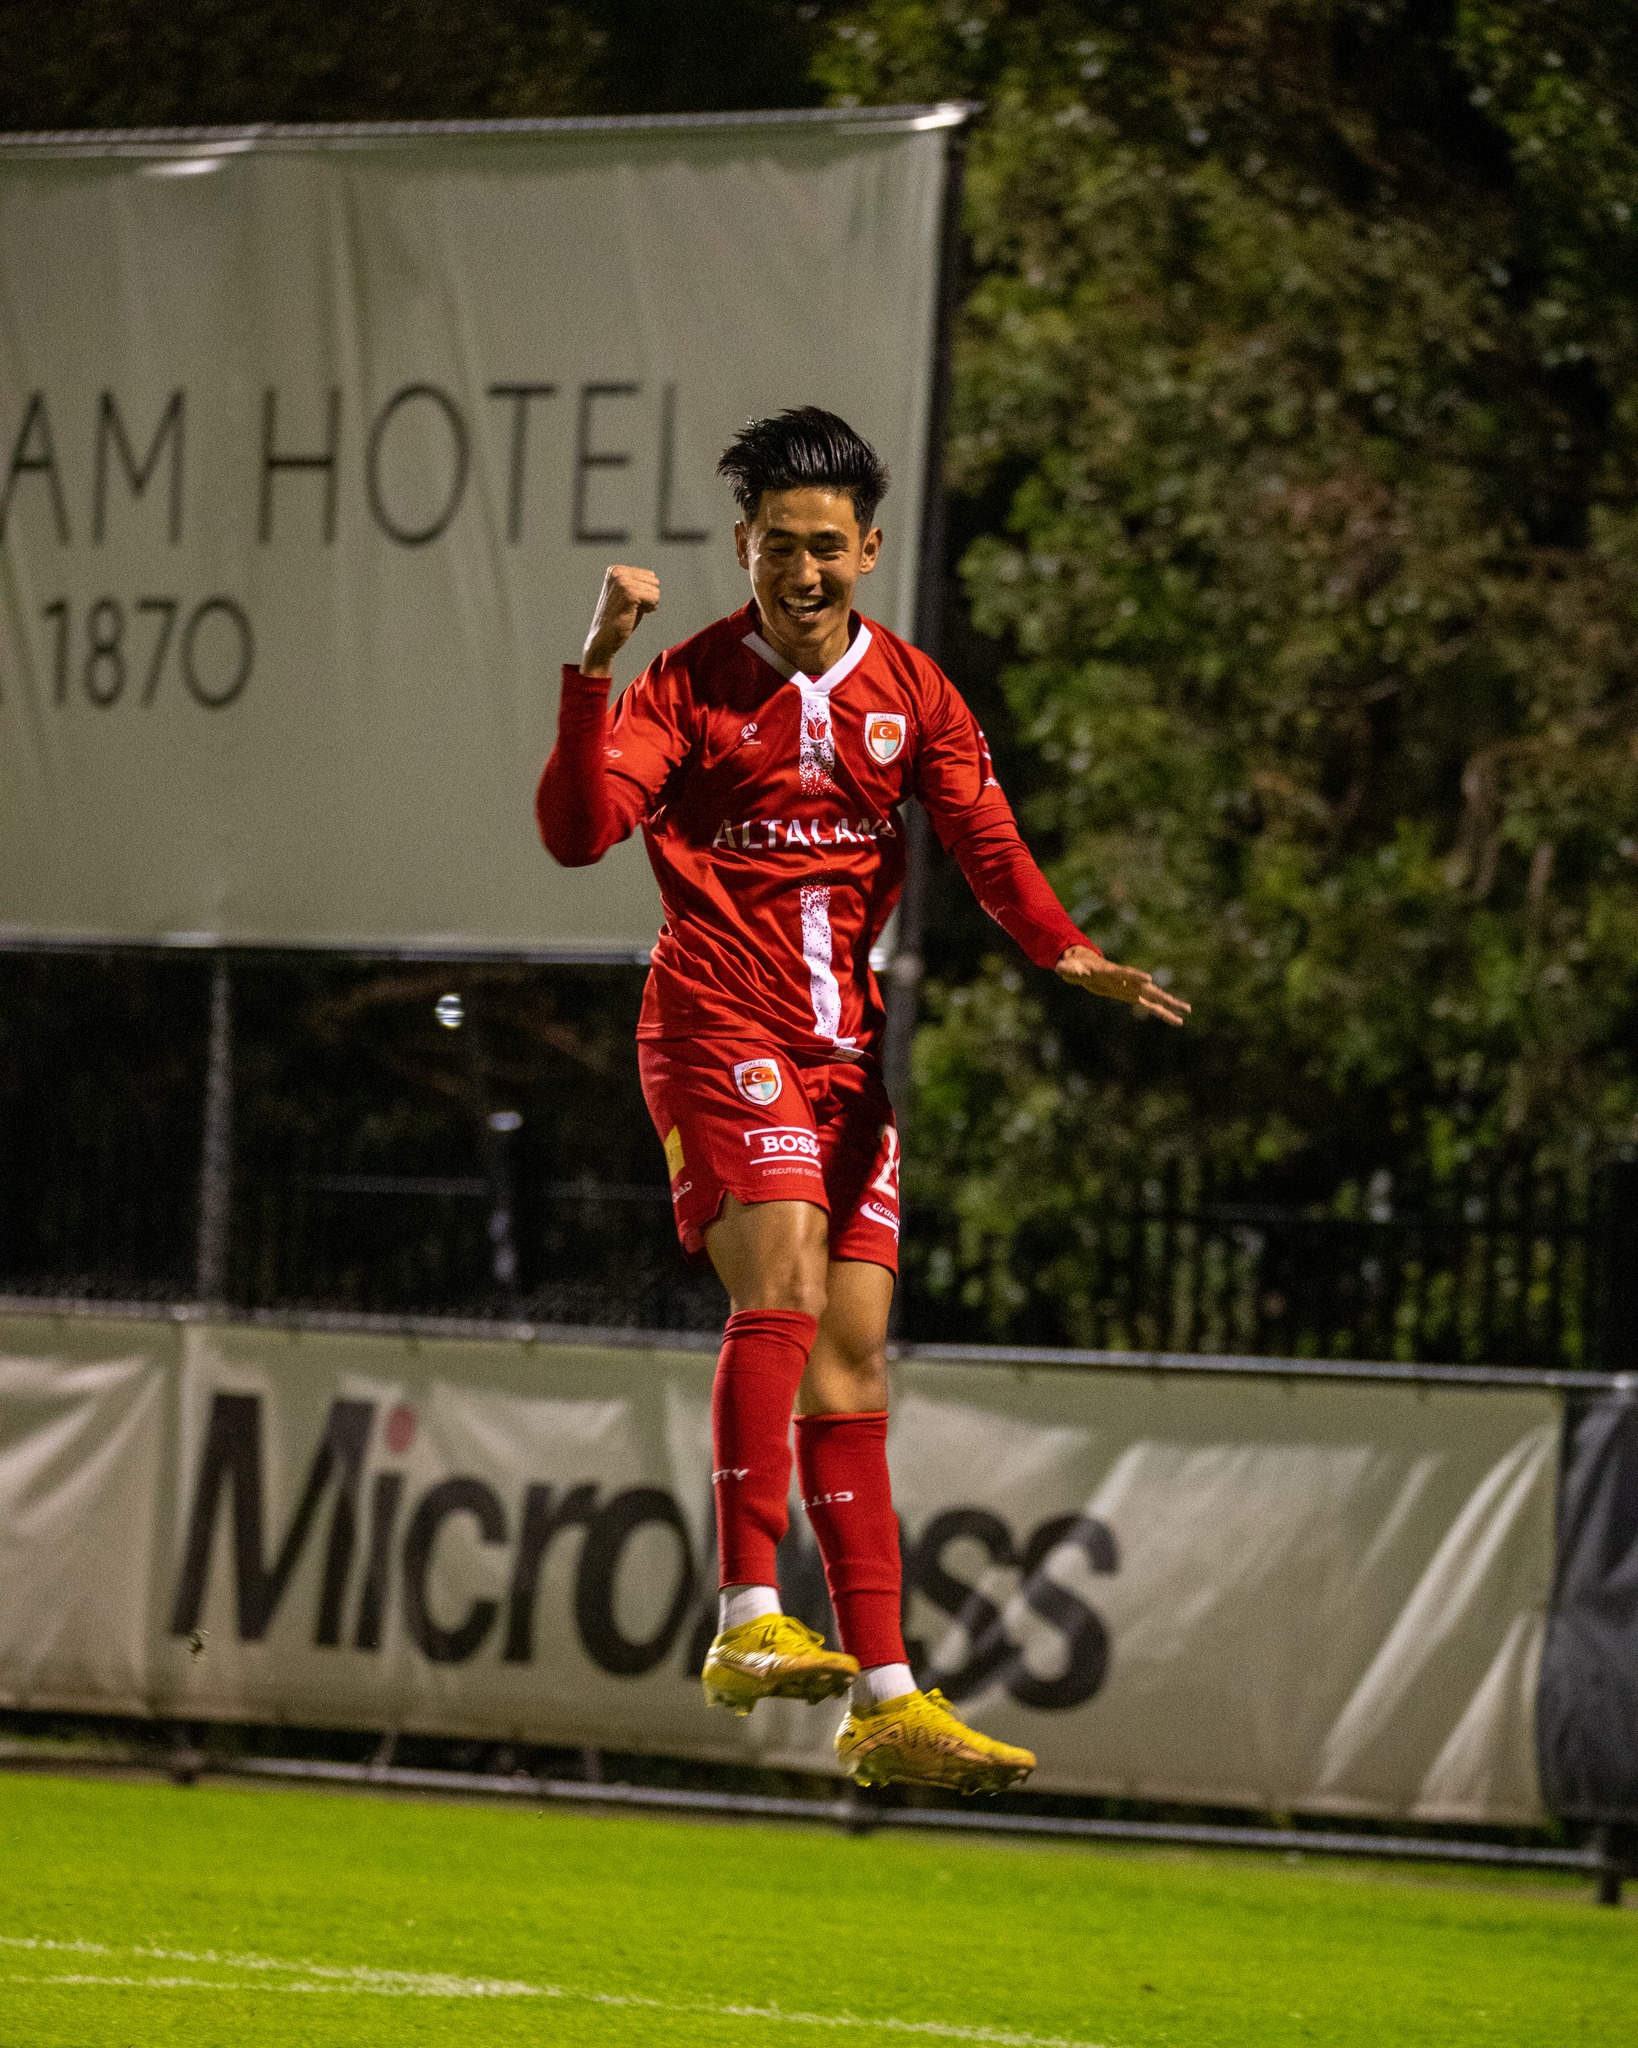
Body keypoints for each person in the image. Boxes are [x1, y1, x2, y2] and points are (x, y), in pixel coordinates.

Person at [537, 407, 1188, 1795]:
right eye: (778, 545)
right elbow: (578, 833)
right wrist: (594, 668)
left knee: (852, 1360)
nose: (803, 570)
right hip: (716, 1021)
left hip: (845, 1061)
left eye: (825, 546)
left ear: (869, 550)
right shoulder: (686, 685)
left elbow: (985, 838)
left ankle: (886, 1698)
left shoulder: (913, 690)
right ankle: (742, 1614)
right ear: (743, 547)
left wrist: (1063, 949)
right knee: (778, 1274)